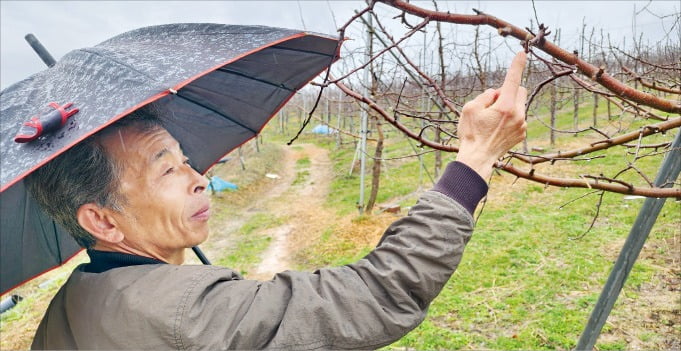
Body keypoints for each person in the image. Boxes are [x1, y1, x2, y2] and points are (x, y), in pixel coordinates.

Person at [27, 51, 527, 350]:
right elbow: (377, 294)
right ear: (102, 221)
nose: (198, 179)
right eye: (166, 169)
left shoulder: (67, 309)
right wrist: (476, 157)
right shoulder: (184, 314)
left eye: (185, 160)